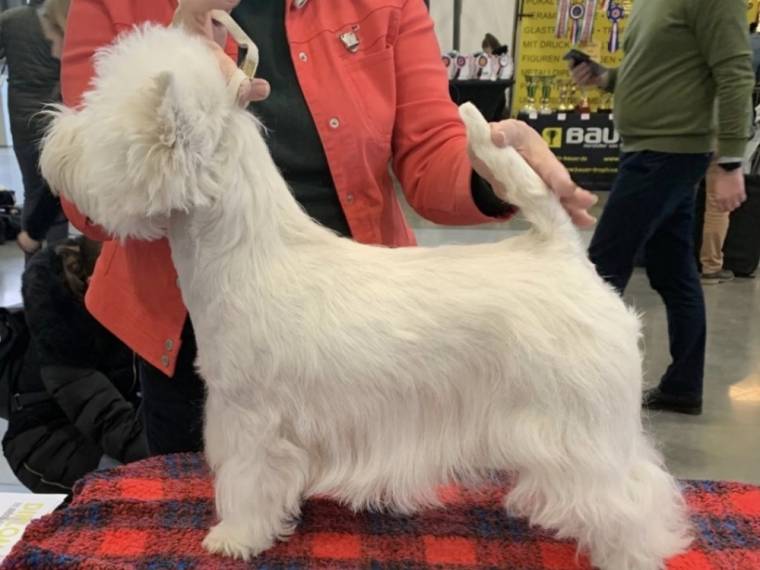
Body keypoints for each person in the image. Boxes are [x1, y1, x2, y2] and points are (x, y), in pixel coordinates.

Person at [60, 0, 595, 455]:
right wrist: (169, 77)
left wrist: (490, 172)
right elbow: (86, 194)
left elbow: (430, 149)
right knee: (202, 523)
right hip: (187, 338)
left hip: (361, 334)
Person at [572, 0, 754, 415]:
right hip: (649, 149)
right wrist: (605, 77)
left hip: (667, 153)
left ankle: (580, 386)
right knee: (673, 271)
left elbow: (735, 73)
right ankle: (682, 387)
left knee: (601, 269)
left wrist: (730, 160)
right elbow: (655, 70)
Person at [2, 236, 147, 493]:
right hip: (46, 441)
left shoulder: (120, 301)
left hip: (103, 424)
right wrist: (172, 458)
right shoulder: (60, 326)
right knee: (141, 486)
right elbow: (104, 417)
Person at [0, 0, 71, 257]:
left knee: (32, 190)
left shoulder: (9, 21)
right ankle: (57, 263)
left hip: (22, 118)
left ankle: (33, 266)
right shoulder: (66, 15)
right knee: (58, 190)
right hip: (58, 113)